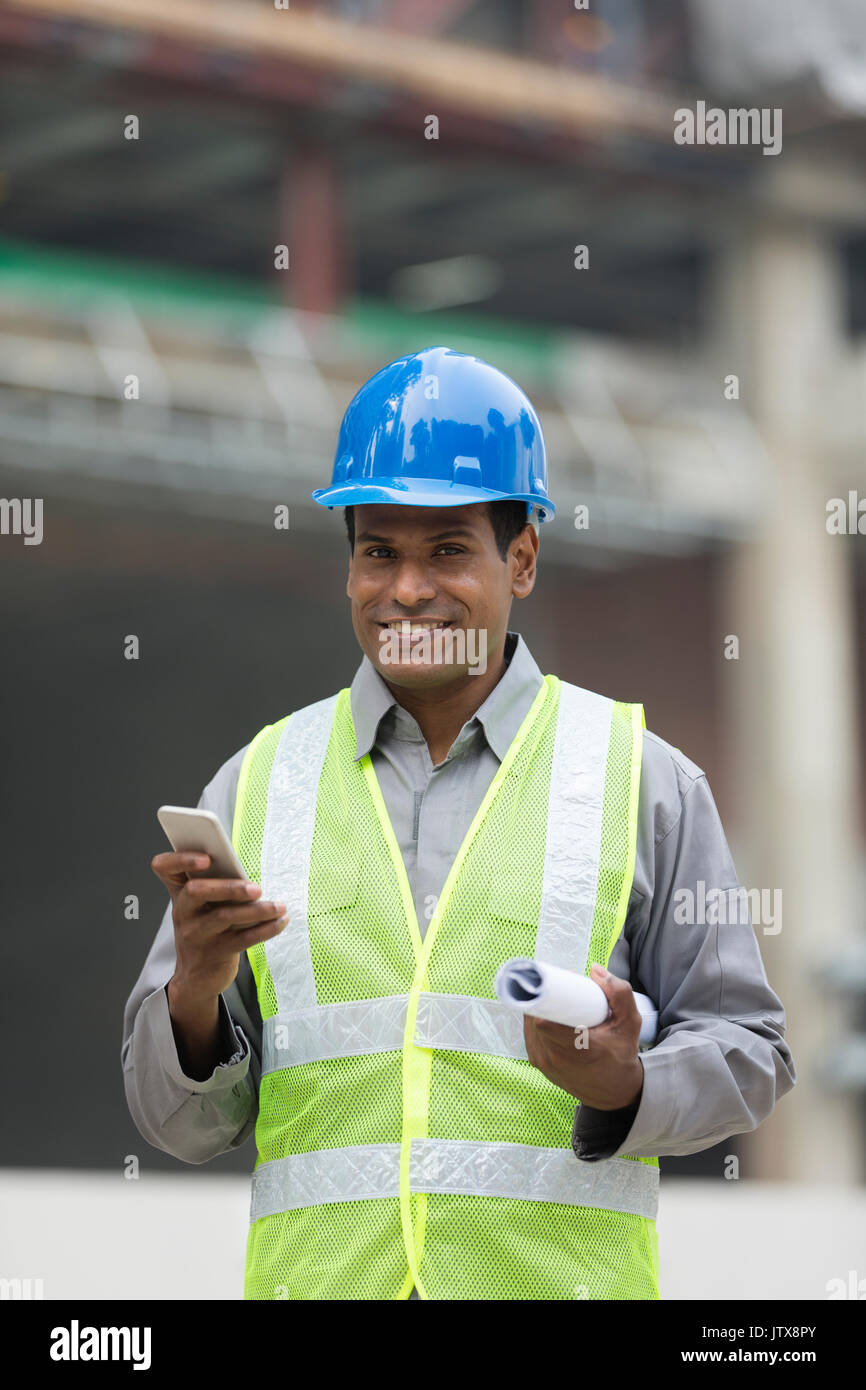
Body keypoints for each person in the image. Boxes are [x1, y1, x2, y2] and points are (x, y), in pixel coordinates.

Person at [122, 344, 796, 1300]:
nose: (406, 591)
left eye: (447, 550)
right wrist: (195, 988)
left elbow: (750, 1052)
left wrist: (627, 1088)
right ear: (349, 564)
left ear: (520, 559)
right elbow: (178, 1123)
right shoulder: (258, 782)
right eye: (379, 553)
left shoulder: (644, 779)